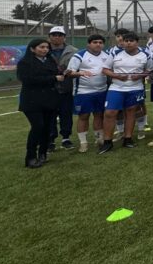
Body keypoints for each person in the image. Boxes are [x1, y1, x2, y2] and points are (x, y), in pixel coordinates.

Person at [99, 32, 149, 154]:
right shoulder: (114, 53)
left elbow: (149, 70)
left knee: (131, 112)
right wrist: (116, 76)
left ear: (137, 42)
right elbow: (105, 69)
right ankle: (107, 142)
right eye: (126, 41)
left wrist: (140, 76)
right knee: (110, 112)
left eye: (131, 41)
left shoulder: (145, 54)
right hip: (116, 88)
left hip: (135, 88)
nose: (128, 43)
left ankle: (128, 139)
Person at [17, 38, 63, 168]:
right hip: (32, 101)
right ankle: (30, 157)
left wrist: (63, 74)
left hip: (49, 100)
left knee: (47, 128)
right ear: (32, 49)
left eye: (46, 47)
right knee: (37, 126)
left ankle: (43, 154)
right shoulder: (24, 63)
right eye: (41, 47)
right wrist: (53, 78)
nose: (45, 50)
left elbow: (56, 74)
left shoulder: (50, 60)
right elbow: (28, 80)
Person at [65, 34, 109, 153]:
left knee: (99, 115)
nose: (98, 44)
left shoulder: (107, 55)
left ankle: (99, 139)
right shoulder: (79, 55)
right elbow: (68, 72)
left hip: (101, 91)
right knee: (83, 116)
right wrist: (81, 73)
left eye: (100, 42)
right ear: (88, 44)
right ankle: (83, 143)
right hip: (83, 92)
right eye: (95, 42)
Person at [47, 26, 77, 151]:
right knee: (49, 115)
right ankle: (50, 140)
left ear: (64, 37)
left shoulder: (73, 51)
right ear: (49, 37)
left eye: (60, 35)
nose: (57, 37)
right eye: (54, 34)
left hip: (66, 87)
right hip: (49, 88)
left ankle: (66, 138)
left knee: (66, 113)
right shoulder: (44, 49)